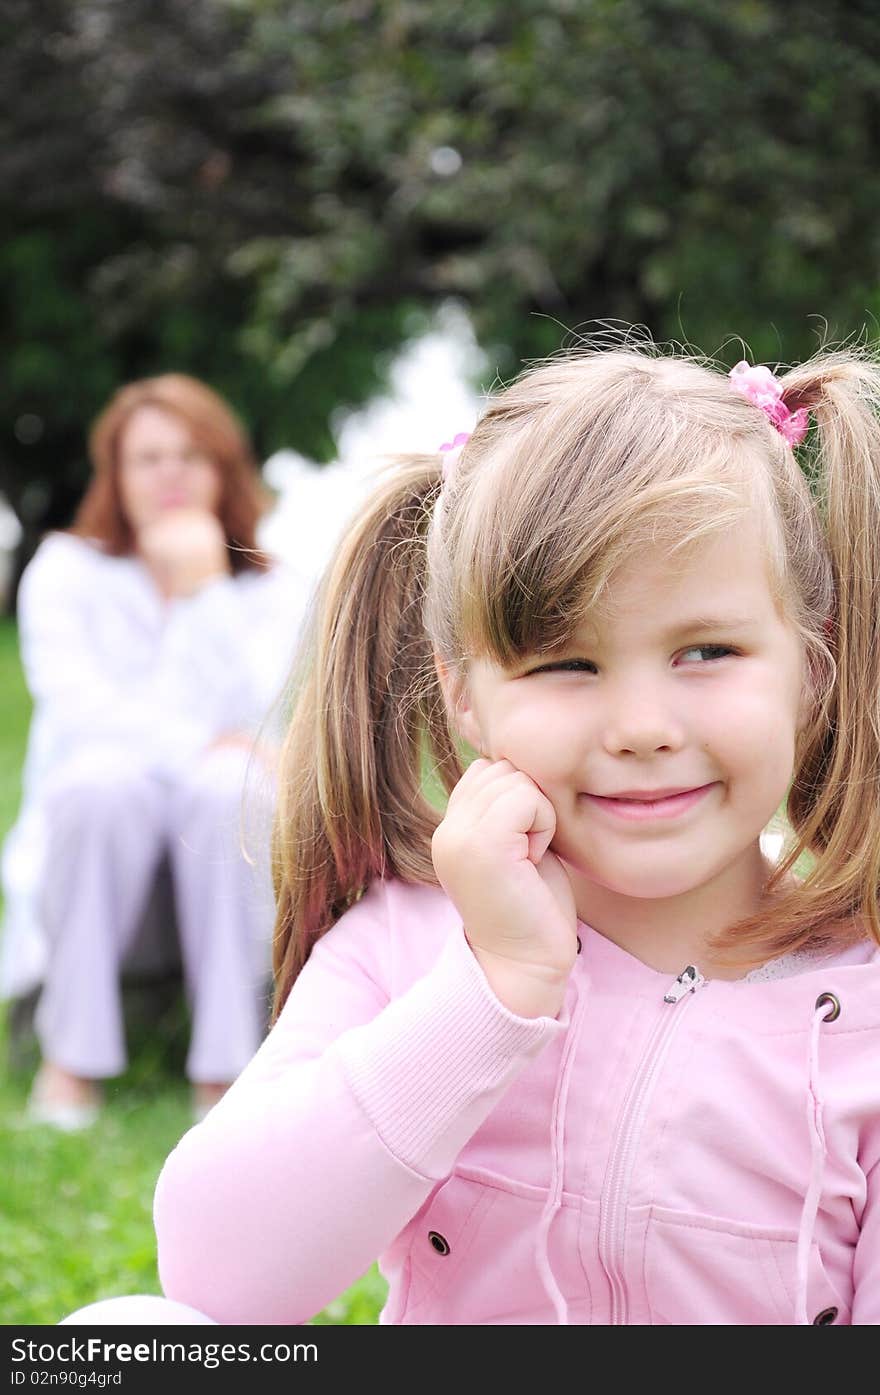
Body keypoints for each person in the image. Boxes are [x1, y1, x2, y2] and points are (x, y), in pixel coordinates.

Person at [68, 341, 880, 1324]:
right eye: (565, 664)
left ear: (809, 666)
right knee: (121, 1342)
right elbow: (216, 1278)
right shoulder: (406, 944)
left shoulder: (863, 1000)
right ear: (463, 696)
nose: (641, 727)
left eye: (706, 651)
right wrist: (491, 992)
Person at [0, 373, 309, 1129]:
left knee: (219, 790)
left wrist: (203, 586)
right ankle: (71, 1066)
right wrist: (213, 745)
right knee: (106, 781)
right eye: (148, 457)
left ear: (224, 470)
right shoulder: (67, 572)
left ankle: (225, 1073)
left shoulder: (269, 589)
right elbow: (87, 717)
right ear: (116, 472)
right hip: (97, 860)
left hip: (221, 872)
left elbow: (259, 713)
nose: (170, 473)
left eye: (190, 454)